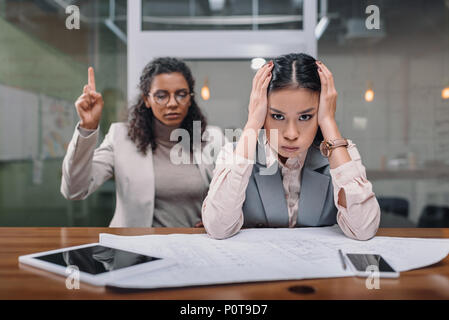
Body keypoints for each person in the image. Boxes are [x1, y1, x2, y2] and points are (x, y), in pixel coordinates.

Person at [202, 53, 380, 240]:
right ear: (262, 111)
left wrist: (328, 122)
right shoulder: (234, 153)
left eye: (305, 117)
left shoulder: (341, 154)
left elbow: (363, 230)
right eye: (277, 116)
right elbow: (218, 229)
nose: (291, 134)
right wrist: (253, 123)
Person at [61, 57, 225, 227]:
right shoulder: (121, 137)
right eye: (161, 96)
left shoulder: (213, 139)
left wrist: (220, 220)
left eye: (181, 94)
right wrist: (87, 127)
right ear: (146, 99)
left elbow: (234, 197)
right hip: (134, 248)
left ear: (190, 99)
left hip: (193, 247)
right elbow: (74, 190)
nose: (172, 103)